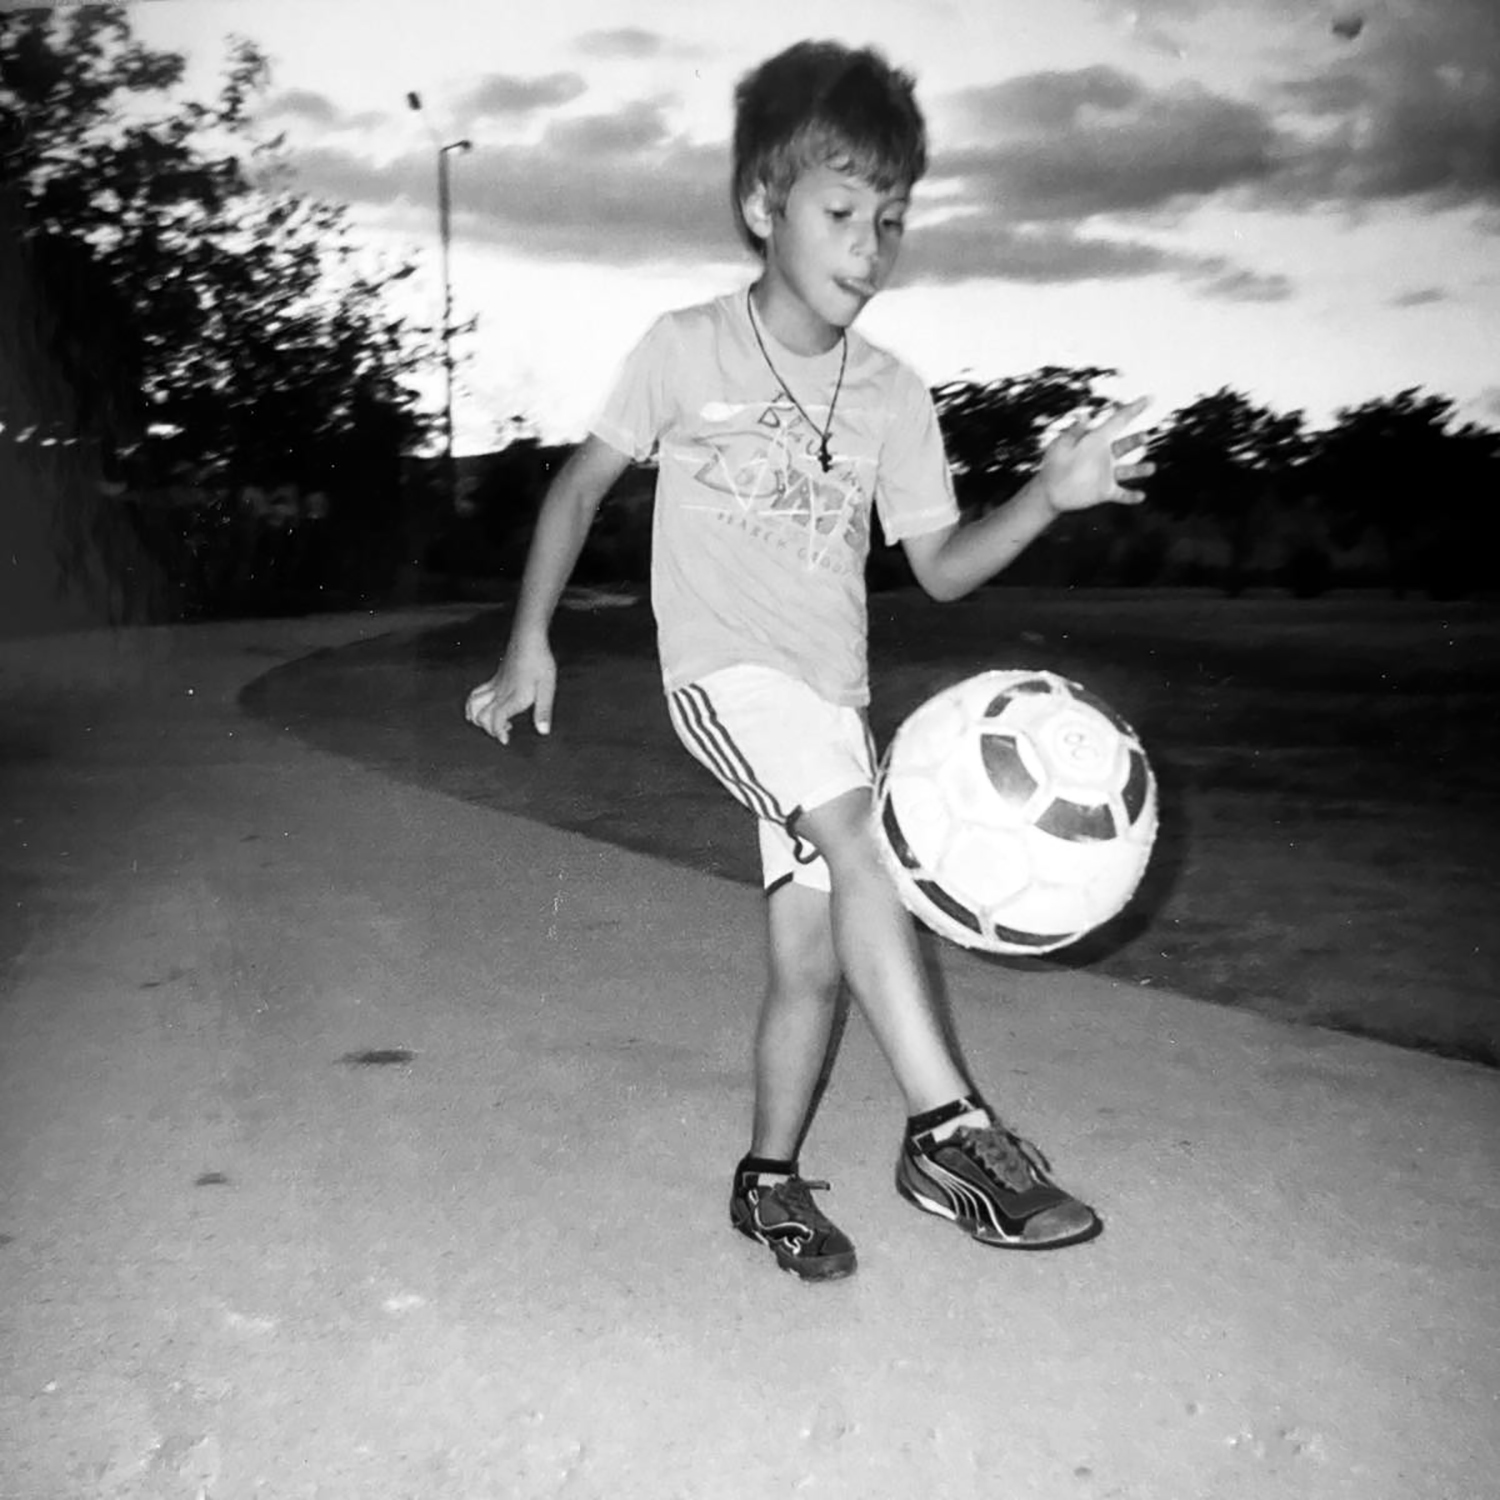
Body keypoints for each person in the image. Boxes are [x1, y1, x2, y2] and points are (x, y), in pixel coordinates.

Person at [466, 39, 1152, 1281]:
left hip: (831, 707)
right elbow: (578, 490)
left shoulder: (894, 393)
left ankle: (767, 1180)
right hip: (724, 678)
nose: (869, 246)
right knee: (860, 849)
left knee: (811, 964)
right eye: (841, 213)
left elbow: (942, 568)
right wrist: (529, 639)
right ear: (762, 207)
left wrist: (1048, 497)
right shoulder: (685, 346)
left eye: (891, 219)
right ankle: (948, 1132)